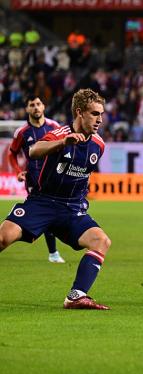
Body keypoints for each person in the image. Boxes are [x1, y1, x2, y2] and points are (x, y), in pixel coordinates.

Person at [0, 89, 111, 310]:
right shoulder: (60, 133)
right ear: (79, 112)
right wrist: (62, 143)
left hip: (71, 209)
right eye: (94, 114)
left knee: (101, 241)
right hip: (42, 202)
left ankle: (76, 296)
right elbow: (34, 150)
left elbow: (82, 175)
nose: (100, 119)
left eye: (101, 114)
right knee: (3, 237)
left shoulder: (99, 145)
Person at [8, 95, 66, 263]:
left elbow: (63, 149)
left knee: (52, 211)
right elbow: (12, 153)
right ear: (27, 109)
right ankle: (53, 253)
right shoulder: (22, 132)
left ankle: (23, 225)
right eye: (32, 105)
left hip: (53, 178)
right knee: (46, 211)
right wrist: (18, 171)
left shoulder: (54, 127)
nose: (35, 107)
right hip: (33, 180)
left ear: (44, 107)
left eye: (38, 104)